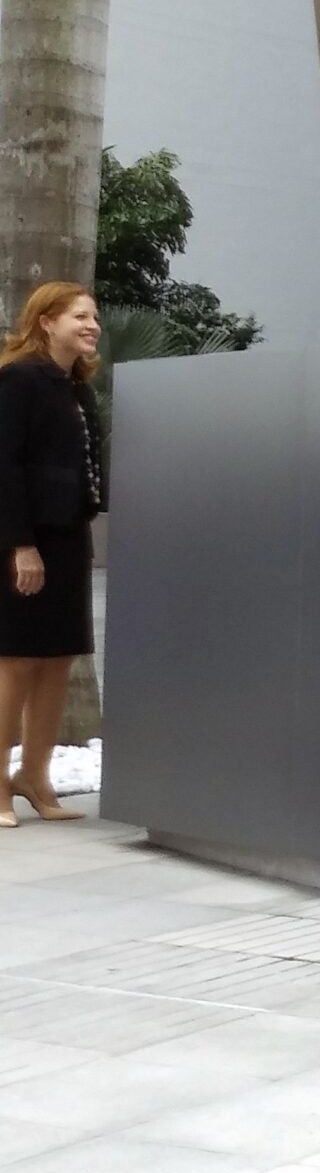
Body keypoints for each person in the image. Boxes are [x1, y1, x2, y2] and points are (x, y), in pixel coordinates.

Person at [0, 283, 108, 827]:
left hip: (69, 537)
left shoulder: (76, 385)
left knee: (59, 659)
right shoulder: (20, 379)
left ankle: (35, 778)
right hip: (25, 539)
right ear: (46, 321)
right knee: (16, 661)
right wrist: (21, 544)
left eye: (94, 317)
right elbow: (6, 466)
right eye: (80, 316)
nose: (92, 325)